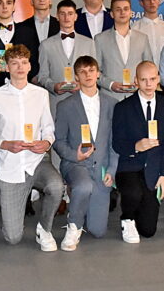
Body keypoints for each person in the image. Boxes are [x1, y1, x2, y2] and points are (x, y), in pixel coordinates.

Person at [0, 45, 64, 251]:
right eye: (14, 63)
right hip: (9, 167)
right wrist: (5, 144)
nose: (20, 67)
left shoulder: (41, 94)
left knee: (56, 187)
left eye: (24, 62)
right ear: (7, 67)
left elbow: (48, 128)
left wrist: (46, 142)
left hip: (37, 161)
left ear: (30, 66)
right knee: (13, 238)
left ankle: (44, 229)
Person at [52, 56, 118, 251]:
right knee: (83, 186)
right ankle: (74, 225)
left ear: (98, 74)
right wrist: (74, 156)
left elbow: (115, 142)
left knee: (98, 231)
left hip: (102, 167)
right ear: (76, 77)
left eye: (91, 70)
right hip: (75, 164)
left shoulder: (112, 104)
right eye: (82, 72)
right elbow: (58, 141)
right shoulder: (65, 106)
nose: (87, 75)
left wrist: (112, 170)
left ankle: (82, 203)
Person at [111, 61, 164, 243]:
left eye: (152, 79)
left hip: (153, 168)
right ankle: (127, 218)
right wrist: (135, 146)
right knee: (133, 193)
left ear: (158, 79)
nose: (148, 84)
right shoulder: (123, 107)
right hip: (129, 165)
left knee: (148, 230)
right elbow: (116, 143)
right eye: (143, 79)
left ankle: (140, 208)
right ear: (136, 81)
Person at [36, 0, 96, 115]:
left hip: (84, 101)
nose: (66, 17)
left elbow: (95, 72)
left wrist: (82, 84)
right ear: (57, 16)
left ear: (76, 16)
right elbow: (42, 76)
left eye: (70, 13)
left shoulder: (89, 43)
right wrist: (54, 86)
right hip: (56, 103)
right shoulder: (45, 45)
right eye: (62, 14)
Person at [95, 0, 155, 102]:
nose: (122, 12)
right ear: (112, 14)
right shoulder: (100, 39)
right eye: (118, 9)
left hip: (137, 97)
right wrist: (111, 84)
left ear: (131, 13)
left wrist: (140, 84)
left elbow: (149, 68)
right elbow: (95, 72)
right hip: (110, 98)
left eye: (126, 9)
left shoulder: (143, 38)